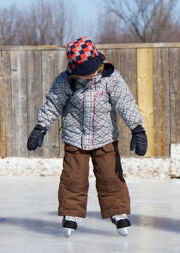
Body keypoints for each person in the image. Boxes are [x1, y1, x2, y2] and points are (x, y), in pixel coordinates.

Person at [27, 37, 147, 237]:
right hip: (75, 138)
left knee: (110, 176)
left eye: (89, 70)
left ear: (98, 63)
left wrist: (137, 129)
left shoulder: (111, 79)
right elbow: (52, 104)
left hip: (105, 138)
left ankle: (117, 211)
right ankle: (70, 214)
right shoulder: (65, 81)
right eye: (82, 72)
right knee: (73, 178)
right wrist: (40, 127)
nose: (87, 75)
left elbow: (126, 103)